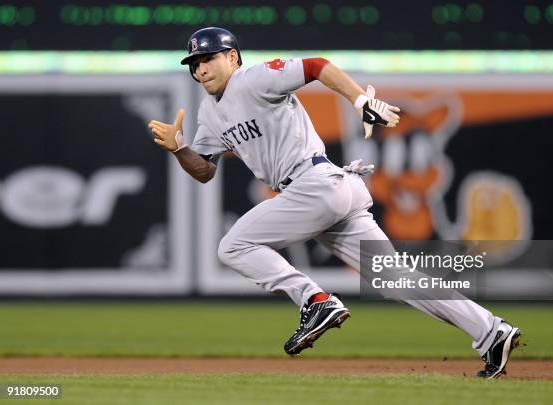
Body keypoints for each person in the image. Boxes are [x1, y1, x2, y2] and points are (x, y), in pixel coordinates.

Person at [148, 27, 521, 379]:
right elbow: (205, 171)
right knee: (394, 280)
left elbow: (316, 66)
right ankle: (491, 331)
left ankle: (315, 300)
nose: (200, 68)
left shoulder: (255, 77)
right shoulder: (208, 112)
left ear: (232, 57)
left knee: (234, 246)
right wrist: (179, 148)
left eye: (208, 59)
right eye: (194, 64)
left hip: (315, 183)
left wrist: (360, 99)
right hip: (324, 191)